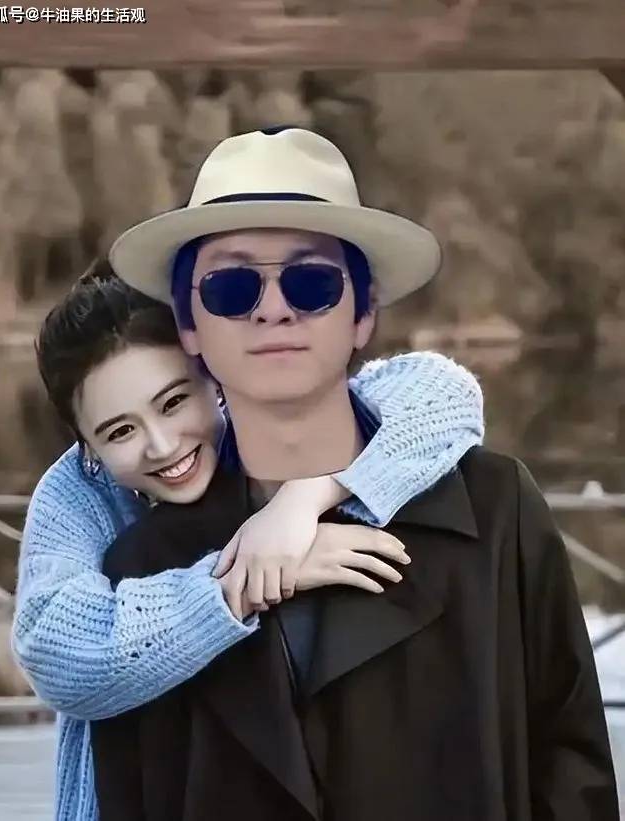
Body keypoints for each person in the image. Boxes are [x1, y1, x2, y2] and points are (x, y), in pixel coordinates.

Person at [98, 126, 619, 820]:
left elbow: (572, 770)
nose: (273, 308)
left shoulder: (496, 510)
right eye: (231, 286)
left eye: (311, 281)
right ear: (189, 325)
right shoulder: (143, 568)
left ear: (364, 314)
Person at [14, 260, 485, 821]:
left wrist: (305, 501)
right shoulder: (77, 495)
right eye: (120, 431)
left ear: (212, 377)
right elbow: (57, 652)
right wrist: (244, 578)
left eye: (173, 402)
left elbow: (444, 393)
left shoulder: (262, 421)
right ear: (87, 449)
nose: (161, 445)